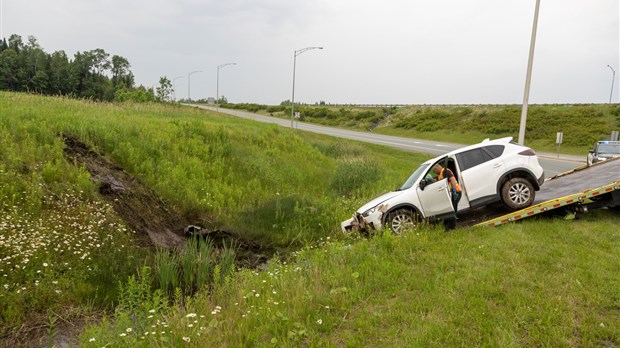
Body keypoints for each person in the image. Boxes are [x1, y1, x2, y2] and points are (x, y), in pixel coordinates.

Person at [431, 164, 462, 230]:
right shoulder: (441, 174)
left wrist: (454, 191)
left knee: (452, 209)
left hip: (456, 192)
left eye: (435, 171)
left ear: (437, 168)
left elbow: (453, 180)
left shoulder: (445, 171)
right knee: (452, 209)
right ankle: (450, 226)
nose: (435, 173)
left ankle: (452, 227)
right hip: (452, 193)